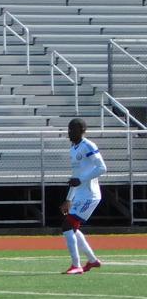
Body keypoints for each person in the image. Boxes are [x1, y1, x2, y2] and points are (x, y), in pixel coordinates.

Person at [60, 117, 106, 275]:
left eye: (72, 129)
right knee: (71, 227)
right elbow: (76, 176)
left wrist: (81, 180)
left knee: (67, 225)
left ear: (82, 131)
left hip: (90, 194)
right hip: (80, 194)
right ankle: (92, 261)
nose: (69, 132)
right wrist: (68, 199)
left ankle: (76, 265)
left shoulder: (88, 146)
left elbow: (102, 168)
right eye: (68, 129)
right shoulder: (73, 149)